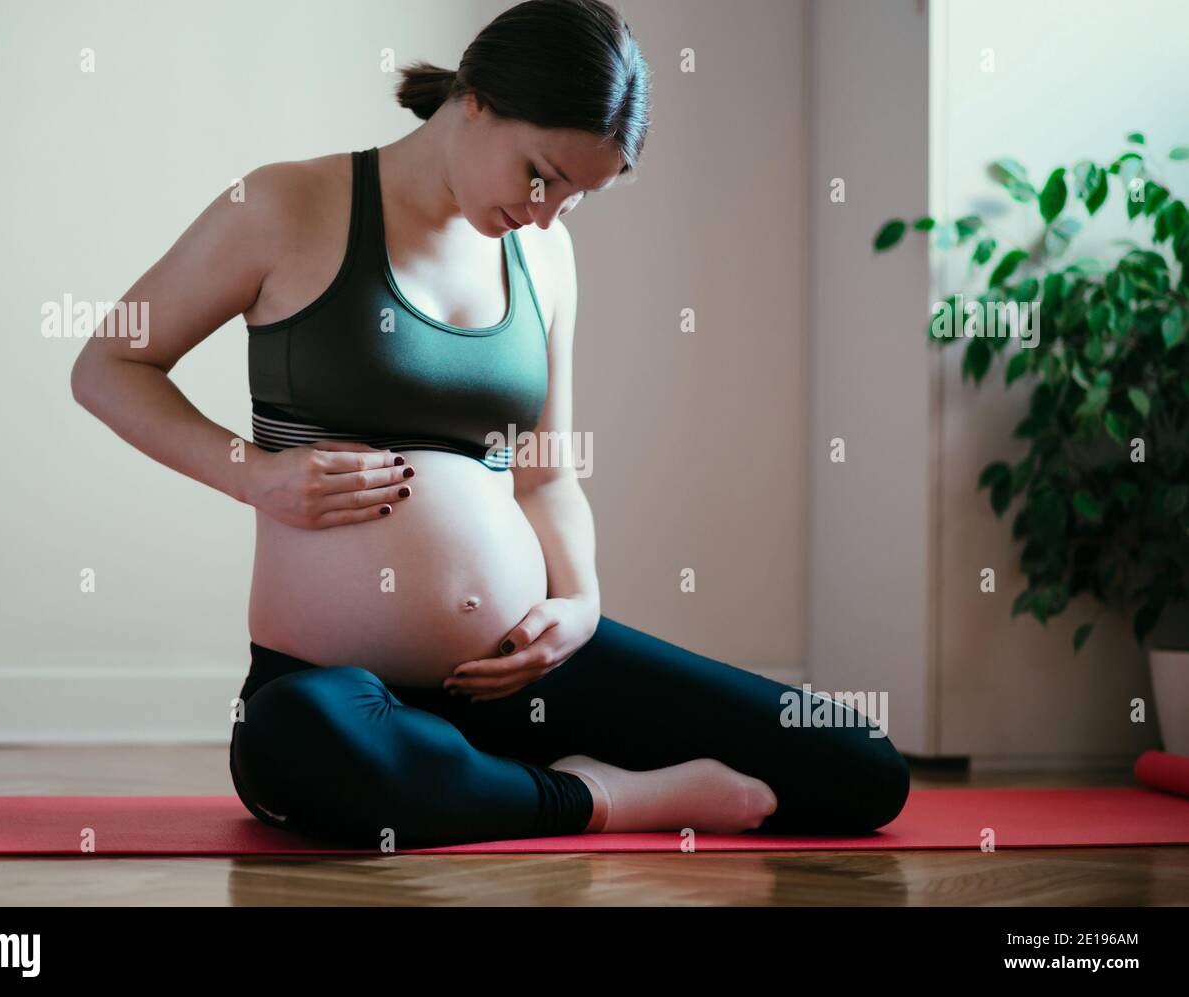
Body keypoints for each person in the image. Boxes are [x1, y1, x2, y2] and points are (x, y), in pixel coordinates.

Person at [71, 0, 910, 850]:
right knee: (305, 740)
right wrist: (252, 473)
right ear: (476, 98)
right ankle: (607, 799)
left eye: (579, 197)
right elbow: (107, 366)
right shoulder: (286, 203)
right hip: (331, 689)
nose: (548, 215)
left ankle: (491, 786)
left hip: (523, 679)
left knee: (858, 765)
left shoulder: (544, 254)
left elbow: (549, 475)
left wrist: (579, 601)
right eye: (543, 175)